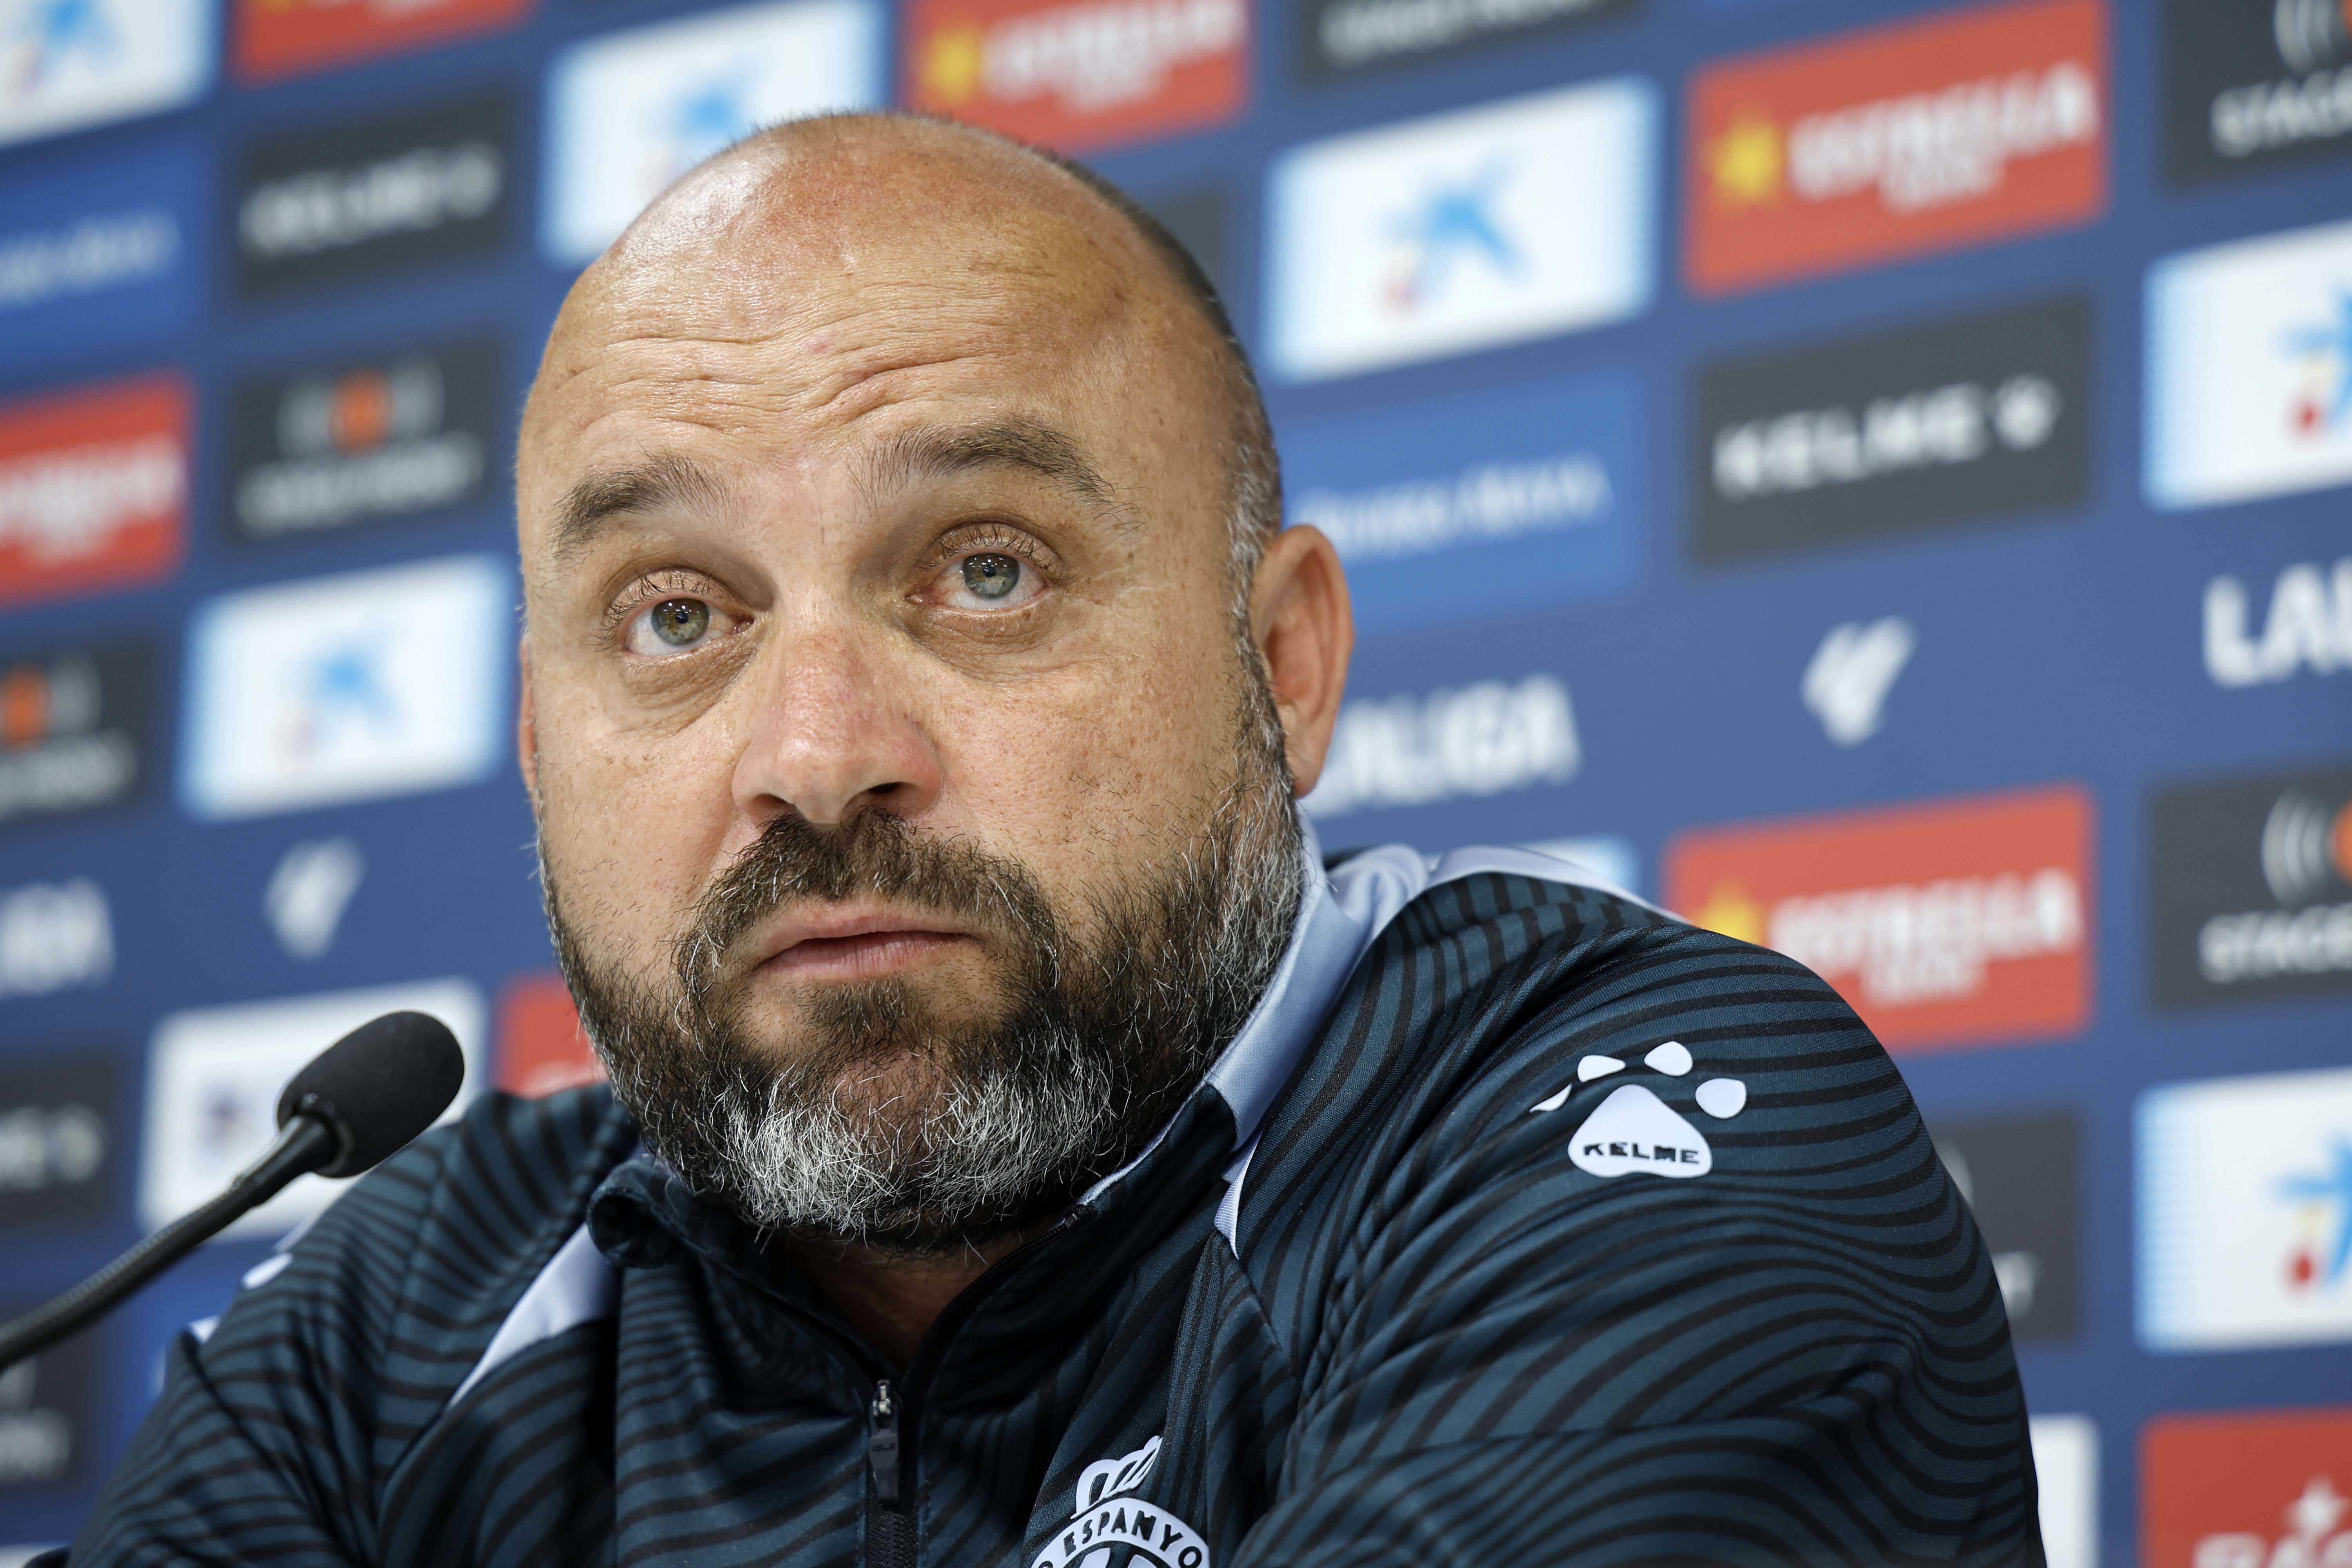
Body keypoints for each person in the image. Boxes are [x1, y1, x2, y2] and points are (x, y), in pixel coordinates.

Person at [73, 114, 2041, 1566]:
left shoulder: (1643, 1120)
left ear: (1282, 666)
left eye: (986, 569)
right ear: (536, 746)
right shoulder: (414, 1306)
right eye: (677, 615)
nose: (816, 759)